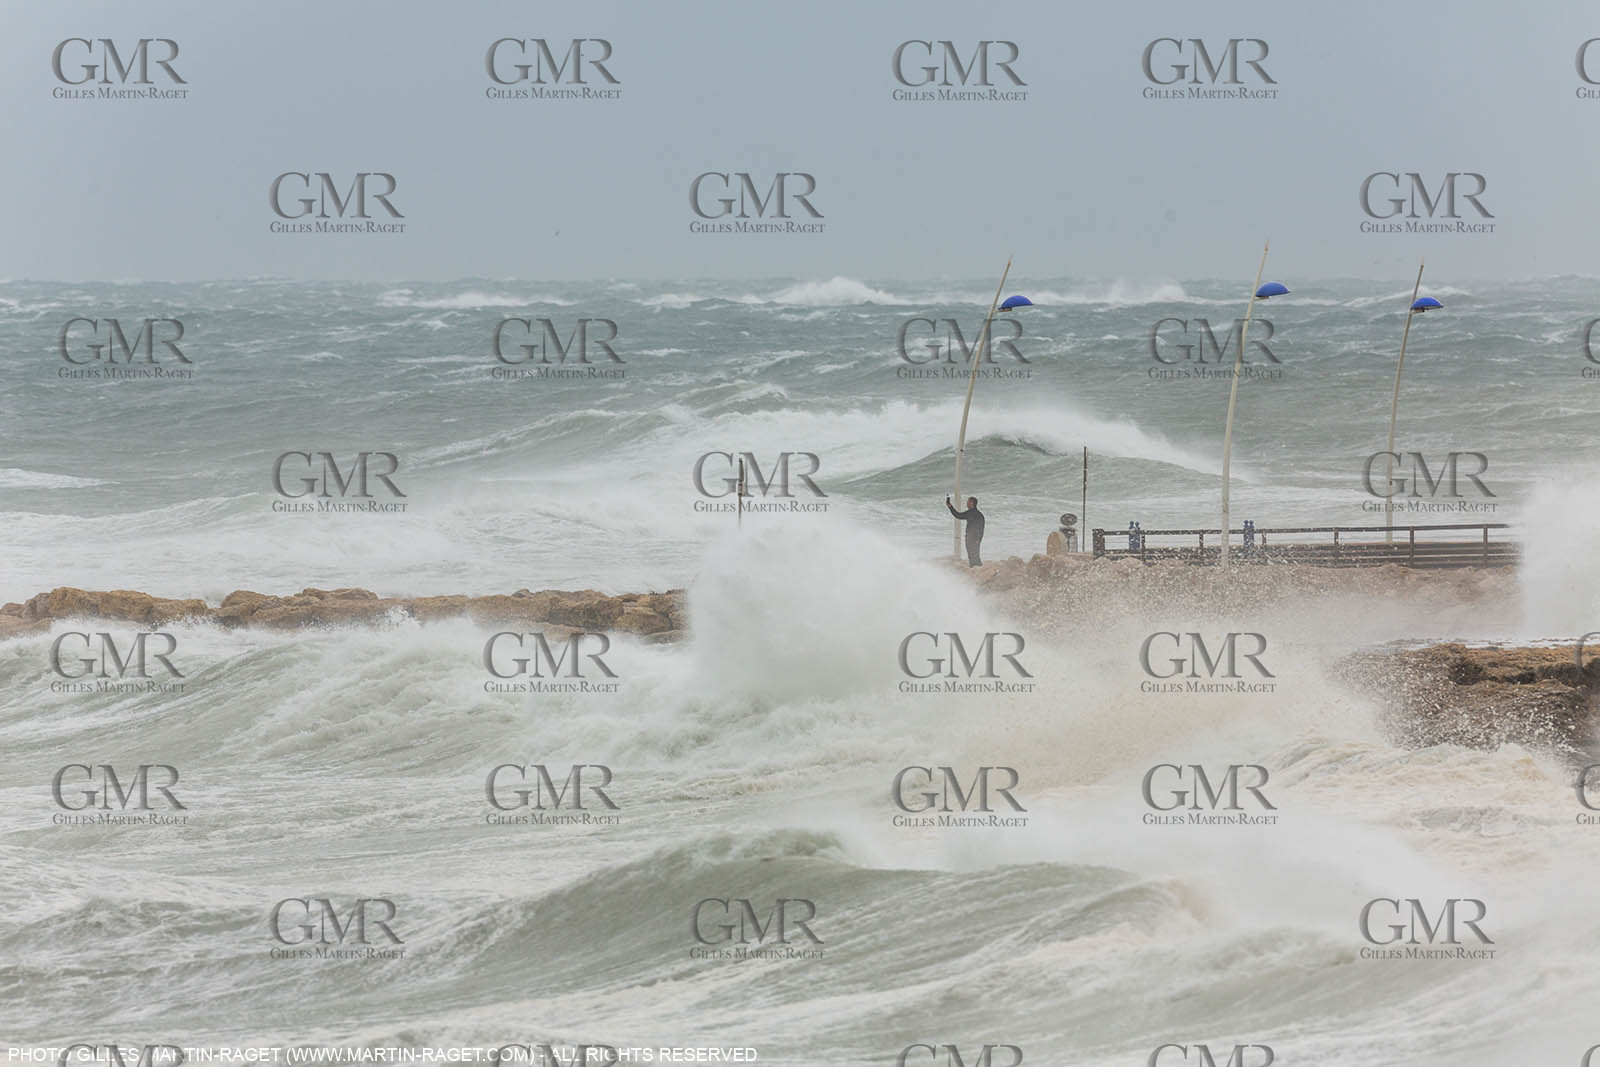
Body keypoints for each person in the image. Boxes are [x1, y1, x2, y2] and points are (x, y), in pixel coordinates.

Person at [945, 495, 985, 567]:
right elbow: (982, 528)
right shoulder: (980, 514)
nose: (967, 503)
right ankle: (977, 567)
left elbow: (958, 515)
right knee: (974, 554)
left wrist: (950, 507)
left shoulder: (971, 513)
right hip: (975, 538)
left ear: (971, 503)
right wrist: (979, 538)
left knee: (972, 555)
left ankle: (975, 567)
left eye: (968, 502)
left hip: (971, 537)